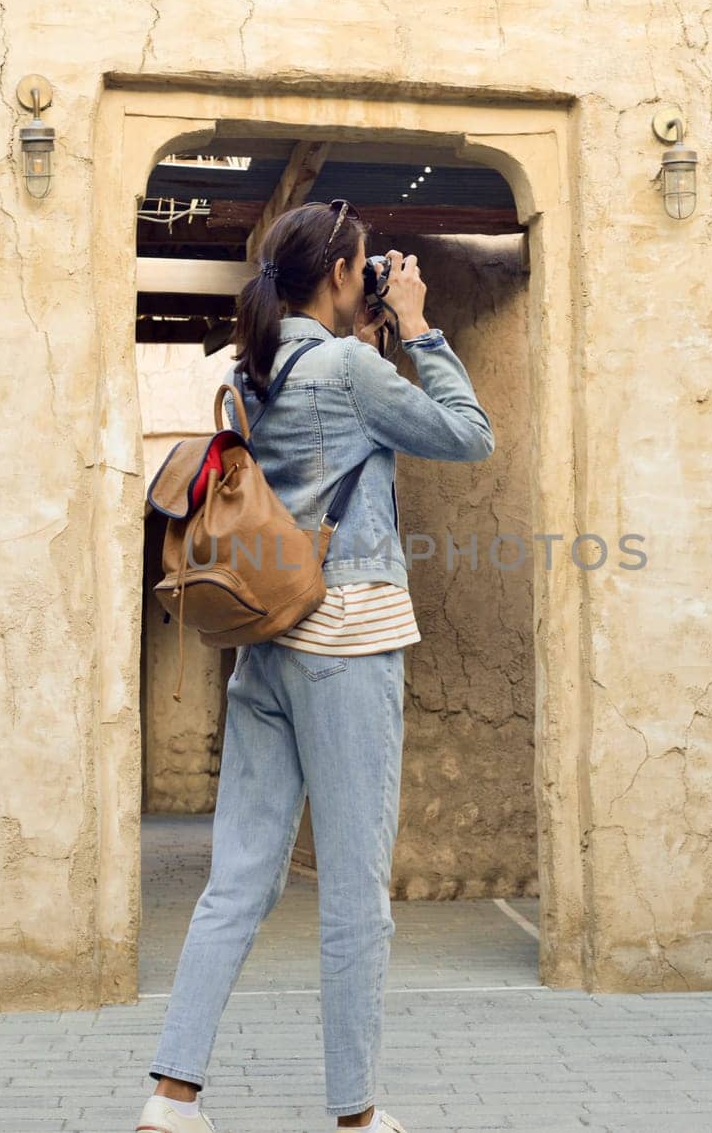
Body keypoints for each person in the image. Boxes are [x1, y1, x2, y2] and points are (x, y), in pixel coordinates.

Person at [136, 199, 495, 1133]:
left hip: (265, 648)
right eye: (368, 267)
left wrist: (372, 337)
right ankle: (356, 1113)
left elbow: (327, 438)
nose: (375, 278)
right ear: (341, 275)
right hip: (347, 646)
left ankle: (171, 1097)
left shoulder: (256, 371)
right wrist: (419, 326)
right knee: (354, 892)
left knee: (237, 879)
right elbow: (468, 432)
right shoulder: (347, 368)